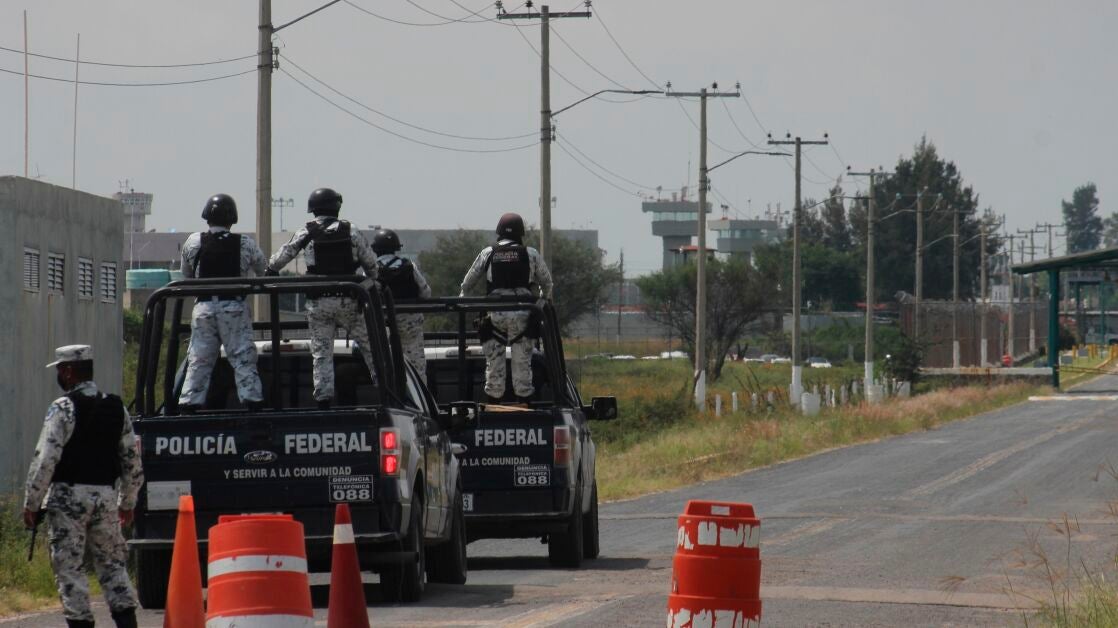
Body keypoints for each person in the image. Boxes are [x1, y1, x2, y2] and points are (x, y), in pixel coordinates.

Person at [23, 345, 144, 628]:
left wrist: (32, 503)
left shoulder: (62, 408)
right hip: (106, 498)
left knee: (70, 570)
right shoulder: (117, 408)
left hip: (68, 499)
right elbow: (132, 461)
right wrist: (127, 502)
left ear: (68, 372)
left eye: (59, 370)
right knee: (113, 566)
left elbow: (45, 460)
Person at [267, 188, 379, 407]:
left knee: (321, 354)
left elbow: (278, 260)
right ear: (337, 207)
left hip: (319, 304)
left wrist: (270, 271)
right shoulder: (351, 230)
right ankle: (386, 391)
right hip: (349, 300)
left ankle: (324, 402)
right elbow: (372, 266)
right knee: (371, 348)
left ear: (313, 209)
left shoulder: (306, 231)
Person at [178, 194, 268, 412]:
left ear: (207, 216)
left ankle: (189, 405)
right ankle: (252, 402)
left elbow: (186, 275)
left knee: (199, 359)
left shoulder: (193, 242)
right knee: (242, 357)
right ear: (232, 218)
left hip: (203, 308)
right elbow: (263, 270)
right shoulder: (245, 243)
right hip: (234, 307)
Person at [459, 213, 553, 404]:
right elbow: (547, 283)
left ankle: (493, 406)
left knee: (494, 367)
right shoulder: (531, 253)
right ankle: (525, 406)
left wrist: (463, 303)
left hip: (495, 316)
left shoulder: (488, 252)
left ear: (499, 231)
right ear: (521, 233)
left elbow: (468, 283)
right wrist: (540, 304)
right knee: (523, 366)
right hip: (523, 317)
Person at [372, 228, 432, 383]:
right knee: (417, 366)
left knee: (386, 364)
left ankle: (390, 395)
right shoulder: (409, 265)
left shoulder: (372, 269)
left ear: (375, 249)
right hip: (411, 322)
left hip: (384, 323)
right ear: (396, 248)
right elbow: (426, 292)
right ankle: (420, 395)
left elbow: (366, 295)